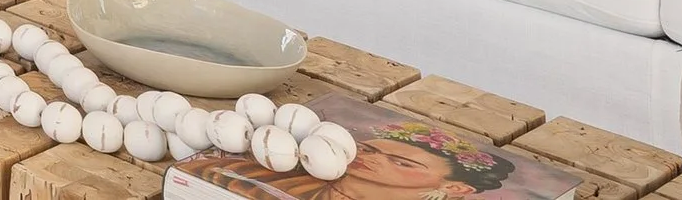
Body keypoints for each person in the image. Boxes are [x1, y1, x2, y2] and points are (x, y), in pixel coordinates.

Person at [193, 119, 520, 200]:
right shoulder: (248, 172)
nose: (367, 159)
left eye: (403, 162)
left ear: (456, 188)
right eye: (368, 149)